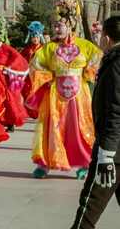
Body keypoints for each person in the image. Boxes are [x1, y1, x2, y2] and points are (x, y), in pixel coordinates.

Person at [27, 0, 102, 179]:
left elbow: (99, 59)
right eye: (54, 25)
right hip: (55, 94)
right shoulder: (49, 48)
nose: (56, 28)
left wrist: (88, 74)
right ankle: (44, 164)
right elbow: (35, 65)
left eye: (59, 25)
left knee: (78, 128)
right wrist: (49, 78)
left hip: (79, 95)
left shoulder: (85, 46)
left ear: (70, 25)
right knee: (51, 127)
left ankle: (84, 163)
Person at [71, 16, 120, 229]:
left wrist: (106, 154)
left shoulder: (116, 64)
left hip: (113, 153)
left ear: (107, 38)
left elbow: (115, 110)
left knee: (88, 211)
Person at [0, 16, 29, 132]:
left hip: (3, 77)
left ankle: (10, 122)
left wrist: (9, 67)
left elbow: (19, 58)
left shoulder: (5, 48)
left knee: (8, 99)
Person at [21, 21, 45, 119]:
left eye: (37, 37)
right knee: (27, 92)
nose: (35, 39)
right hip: (28, 75)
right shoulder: (27, 49)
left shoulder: (43, 49)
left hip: (40, 75)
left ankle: (39, 111)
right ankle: (29, 111)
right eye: (33, 37)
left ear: (40, 38)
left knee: (39, 93)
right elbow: (21, 60)